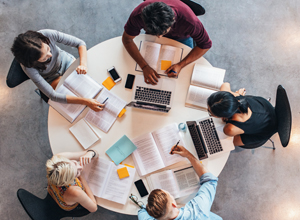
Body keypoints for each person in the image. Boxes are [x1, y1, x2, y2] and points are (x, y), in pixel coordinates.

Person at [10, 29, 103, 111]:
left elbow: (80, 43)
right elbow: (53, 95)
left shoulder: (47, 34)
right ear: (33, 62)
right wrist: (86, 102)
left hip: (67, 62)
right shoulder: (28, 67)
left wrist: (83, 64)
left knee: (90, 82)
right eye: (44, 58)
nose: (50, 55)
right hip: (51, 78)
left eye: (48, 49)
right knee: (76, 96)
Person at [122, 0, 212, 85]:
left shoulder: (190, 22)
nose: (159, 37)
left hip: (182, 38)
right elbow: (127, 39)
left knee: (184, 77)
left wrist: (180, 65)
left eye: (162, 33)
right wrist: (144, 66)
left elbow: (205, 45)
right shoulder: (138, 14)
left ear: (173, 20)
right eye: (156, 34)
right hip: (151, 36)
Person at [138, 145, 222, 220]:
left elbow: (141, 212)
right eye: (170, 195)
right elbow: (210, 180)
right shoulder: (198, 209)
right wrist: (188, 154)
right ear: (174, 204)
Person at [207, 82, 277, 147]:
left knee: (227, 143)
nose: (207, 111)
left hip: (265, 132)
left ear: (222, 116)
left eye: (210, 113)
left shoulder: (229, 129)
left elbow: (232, 141)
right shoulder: (236, 96)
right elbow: (225, 84)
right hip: (266, 108)